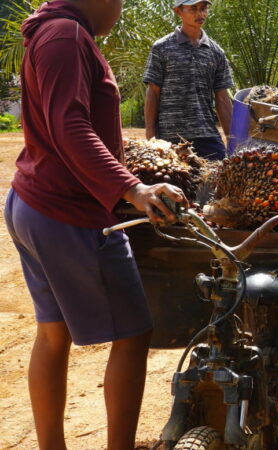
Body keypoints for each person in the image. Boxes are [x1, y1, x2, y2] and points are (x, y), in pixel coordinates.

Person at [6, 0, 187, 448]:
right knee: (134, 332)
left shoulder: (54, 31)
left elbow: (70, 122)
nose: (122, 8)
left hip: (34, 204)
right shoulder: (65, 34)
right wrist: (133, 189)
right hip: (68, 212)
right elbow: (69, 125)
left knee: (53, 332)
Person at [143, 0, 234, 160]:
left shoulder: (216, 52)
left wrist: (233, 141)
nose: (200, 14)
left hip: (207, 137)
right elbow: (153, 93)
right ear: (178, 11)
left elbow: (222, 98)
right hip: (169, 138)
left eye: (203, 8)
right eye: (193, 9)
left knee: (217, 180)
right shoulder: (161, 48)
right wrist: (151, 137)